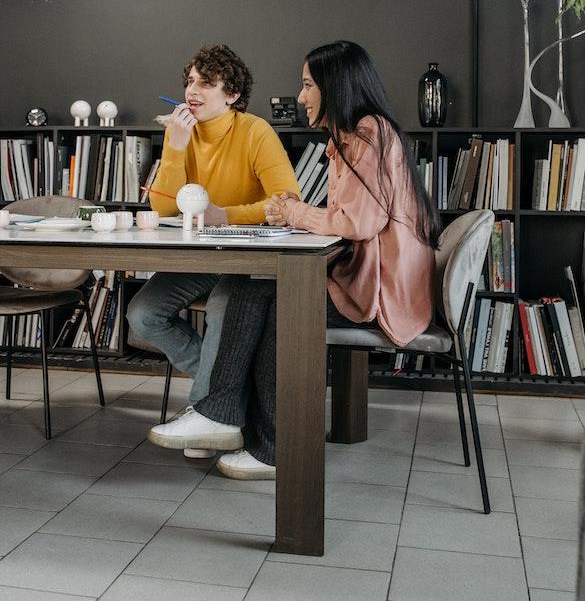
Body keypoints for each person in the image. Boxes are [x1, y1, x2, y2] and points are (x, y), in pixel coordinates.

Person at [147, 40, 440, 479]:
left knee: (269, 299)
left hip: (381, 292)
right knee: (255, 289)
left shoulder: (368, 134)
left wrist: (293, 213)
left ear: (333, 85)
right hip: (362, 277)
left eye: (307, 85)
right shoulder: (349, 137)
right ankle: (238, 424)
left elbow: (356, 221)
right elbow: (161, 207)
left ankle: (246, 430)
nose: (301, 97)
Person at [127, 44, 299, 456]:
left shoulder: (255, 131)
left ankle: (210, 415)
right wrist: (175, 145)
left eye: (206, 83)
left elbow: (286, 201)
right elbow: (163, 206)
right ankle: (223, 402)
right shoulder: (179, 133)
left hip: (248, 257)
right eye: (190, 81)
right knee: (143, 314)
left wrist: (226, 215)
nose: (193, 90)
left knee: (224, 307)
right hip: (201, 257)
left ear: (232, 94)